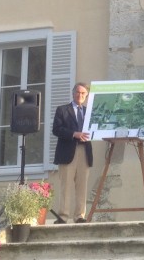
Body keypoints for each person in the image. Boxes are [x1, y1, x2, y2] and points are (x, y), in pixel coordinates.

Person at [52, 82, 94, 224]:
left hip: (84, 151)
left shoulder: (90, 111)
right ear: (73, 93)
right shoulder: (62, 110)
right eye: (78, 92)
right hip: (67, 151)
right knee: (66, 185)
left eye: (83, 93)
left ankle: (80, 216)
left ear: (86, 95)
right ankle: (63, 216)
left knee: (82, 185)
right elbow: (56, 130)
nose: (80, 95)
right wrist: (73, 134)